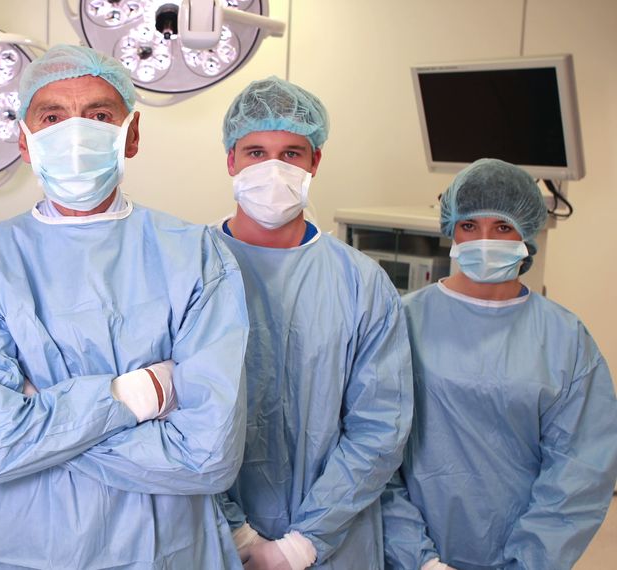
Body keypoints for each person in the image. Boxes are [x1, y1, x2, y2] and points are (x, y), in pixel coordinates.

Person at [0, 44, 250, 569]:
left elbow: (208, 457)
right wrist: (142, 393)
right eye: (51, 117)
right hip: (27, 551)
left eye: (99, 115)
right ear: (26, 141)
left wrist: (39, 424)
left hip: (166, 552)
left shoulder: (195, 255)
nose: (74, 133)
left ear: (133, 134)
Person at [213, 77, 413, 570]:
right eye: (256, 151)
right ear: (231, 160)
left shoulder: (361, 283)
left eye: (292, 153)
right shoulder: (190, 269)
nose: (274, 169)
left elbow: (379, 428)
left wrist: (303, 543)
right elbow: (178, 421)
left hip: (333, 542)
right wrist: (235, 531)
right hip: (211, 536)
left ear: (315, 162)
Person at [381, 158, 617, 570]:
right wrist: (419, 560)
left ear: (527, 232)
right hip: (408, 556)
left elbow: (580, 470)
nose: (484, 240)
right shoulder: (400, 323)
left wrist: (527, 563)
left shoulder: (564, 339)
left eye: (502, 227)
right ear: (450, 228)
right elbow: (374, 451)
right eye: (469, 226)